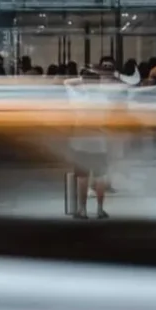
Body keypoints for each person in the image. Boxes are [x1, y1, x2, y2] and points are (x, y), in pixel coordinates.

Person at [64, 69, 111, 219]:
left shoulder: (78, 97)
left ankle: (82, 210)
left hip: (81, 142)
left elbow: (66, 82)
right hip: (100, 142)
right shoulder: (104, 99)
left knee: (82, 177)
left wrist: (82, 79)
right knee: (100, 176)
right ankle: (99, 209)